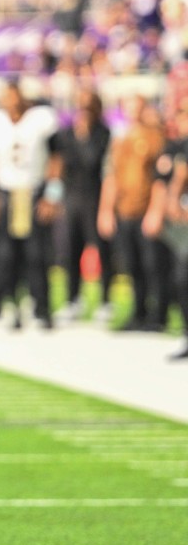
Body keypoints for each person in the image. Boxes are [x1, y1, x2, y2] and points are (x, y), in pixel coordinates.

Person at [0, 82, 62, 330]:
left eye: (15, 98)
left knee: (36, 255)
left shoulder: (40, 120)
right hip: (6, 194)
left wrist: (52, 194)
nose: (12, 104)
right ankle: (12, 307)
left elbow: (57, 158)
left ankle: (42, 308)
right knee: (6, 256)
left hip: (32, 193)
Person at [98, 97, 170, 332]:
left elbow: (161, 180)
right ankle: (138, 312)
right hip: (125, 210)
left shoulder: (155, 138)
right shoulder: (120, 140)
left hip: (145, 208)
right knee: (132, 264)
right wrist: (106, 210)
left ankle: (158, 314)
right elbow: (111, 177)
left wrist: (155, 210)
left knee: (153, 265)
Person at [53, 90, 113, 321]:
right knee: (70, 250)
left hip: (95, 198)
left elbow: (93, 163)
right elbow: (58, 167)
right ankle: (72, 299)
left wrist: (85, 134)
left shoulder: (102, 134)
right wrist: (54, 197)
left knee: (101, 249)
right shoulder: (66, 134)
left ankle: (105, 301)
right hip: (71, 198)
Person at [148, 109, 188, 359]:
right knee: (180, 278)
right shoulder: (174, 146)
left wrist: (174, 195)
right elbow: (162, 179)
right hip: (179, 226)